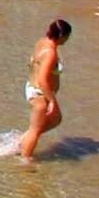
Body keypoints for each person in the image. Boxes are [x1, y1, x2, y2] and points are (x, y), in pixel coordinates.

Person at [17, 18, 72, 162]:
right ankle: (25, 161)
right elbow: (42, 80)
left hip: (33, 87)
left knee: (54, 120)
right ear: (61, 36)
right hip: (40, 92)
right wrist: (52, 101)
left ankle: (21, 142)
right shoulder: (50, 53)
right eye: (67, 37)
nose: (67, 40)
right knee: (36, 129)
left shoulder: (42, 42)